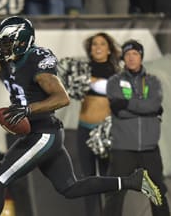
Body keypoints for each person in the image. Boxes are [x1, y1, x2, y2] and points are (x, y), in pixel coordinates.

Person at [0, 15, 162, 216]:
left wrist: (28, 109)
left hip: (43, 134)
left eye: (6, 42)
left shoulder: (36, 64)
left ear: (22, 42)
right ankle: (133, 181)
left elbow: (61, 98)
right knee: (70, 187)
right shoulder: (8, 61)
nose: (1, 46)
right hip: (41, 132)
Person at [104, 39, 170, 216]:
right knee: (115, 194)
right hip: (123, 149)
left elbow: (154, 105)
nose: (131, 58)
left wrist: (127, 103)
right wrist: (145, 108)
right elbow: (119, 111)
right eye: (127, 54)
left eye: (135, 54)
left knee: (158, 193)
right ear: (123, 58)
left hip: (149, 149)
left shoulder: (153, 81)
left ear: (141, 57)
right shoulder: (114, 81)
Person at [77, 32, 121, 216]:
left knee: (107, 180)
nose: (98, 47)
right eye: (94, 44)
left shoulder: (118, 73)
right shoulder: (82, 70)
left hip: (105, 132)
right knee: (88, 181)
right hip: (84, 130)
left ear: (109, 49)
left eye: (102, 44)